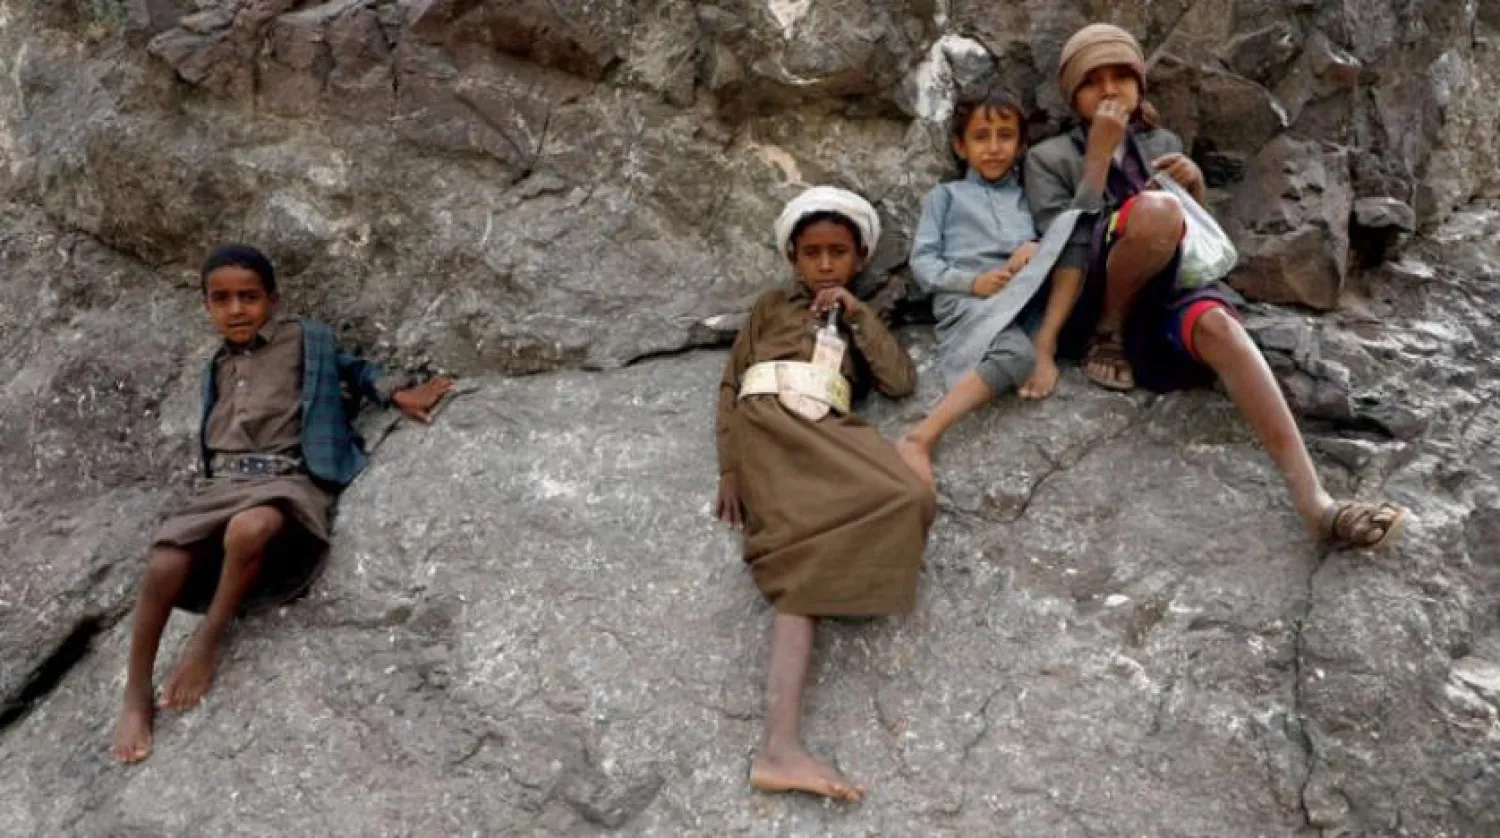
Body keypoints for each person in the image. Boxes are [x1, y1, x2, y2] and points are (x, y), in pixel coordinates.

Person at [1024, 23, 1407, 550]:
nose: (1110, 91)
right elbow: (1060, 244)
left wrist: (1197, 191)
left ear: (1140, 85)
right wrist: (1097, 161)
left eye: (1122, 78)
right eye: (1094, 82)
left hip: (1163, 295)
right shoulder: (1048, 158)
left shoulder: (1159, 143)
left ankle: (1317, 503)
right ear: (1073, 95)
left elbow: (1196, 252)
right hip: (1092, 298)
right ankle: (1109, 333)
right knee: (1156, 211)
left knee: (1220, 326)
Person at [111, 244, 453, 764]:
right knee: (164, 560)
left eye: (248, 297)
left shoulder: (305, 340)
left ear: (271, 298)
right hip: (220, 485)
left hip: (288, 479)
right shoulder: (218, 363)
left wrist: (398, 392)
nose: (236, 309)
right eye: (221, 299)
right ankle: (136, 693)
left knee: (250, 528)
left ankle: (207, 640)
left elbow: (356, 371)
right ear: (207, 306)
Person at [714, 187, 934, 801]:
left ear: (860, 257)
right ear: (793, 257)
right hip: (767, 424)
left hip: (826, 430)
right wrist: (731, 468)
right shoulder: (768, 307)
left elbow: (898, 381)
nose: (826, 265)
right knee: (793, 556)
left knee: (907, 495)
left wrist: (857, 316)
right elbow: (731, 385)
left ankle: (779, 749)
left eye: (839, 252)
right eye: (813, 253)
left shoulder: (862, 316)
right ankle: (779, 746)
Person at [898, 89, 1082, 487]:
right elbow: (924, 262)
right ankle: (921, 436)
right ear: (961, 147)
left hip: (1021, 295)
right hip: (967, 299)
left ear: (1020, 145)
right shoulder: (945, 197)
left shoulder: (1027, 196)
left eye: (1005, 136)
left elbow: (1051, 236)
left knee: (1074, 229)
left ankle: (1042, 349)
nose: (994, 148)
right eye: (981, 137)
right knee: (1016, 354)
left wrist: (1033, 247)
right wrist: (973, 282)